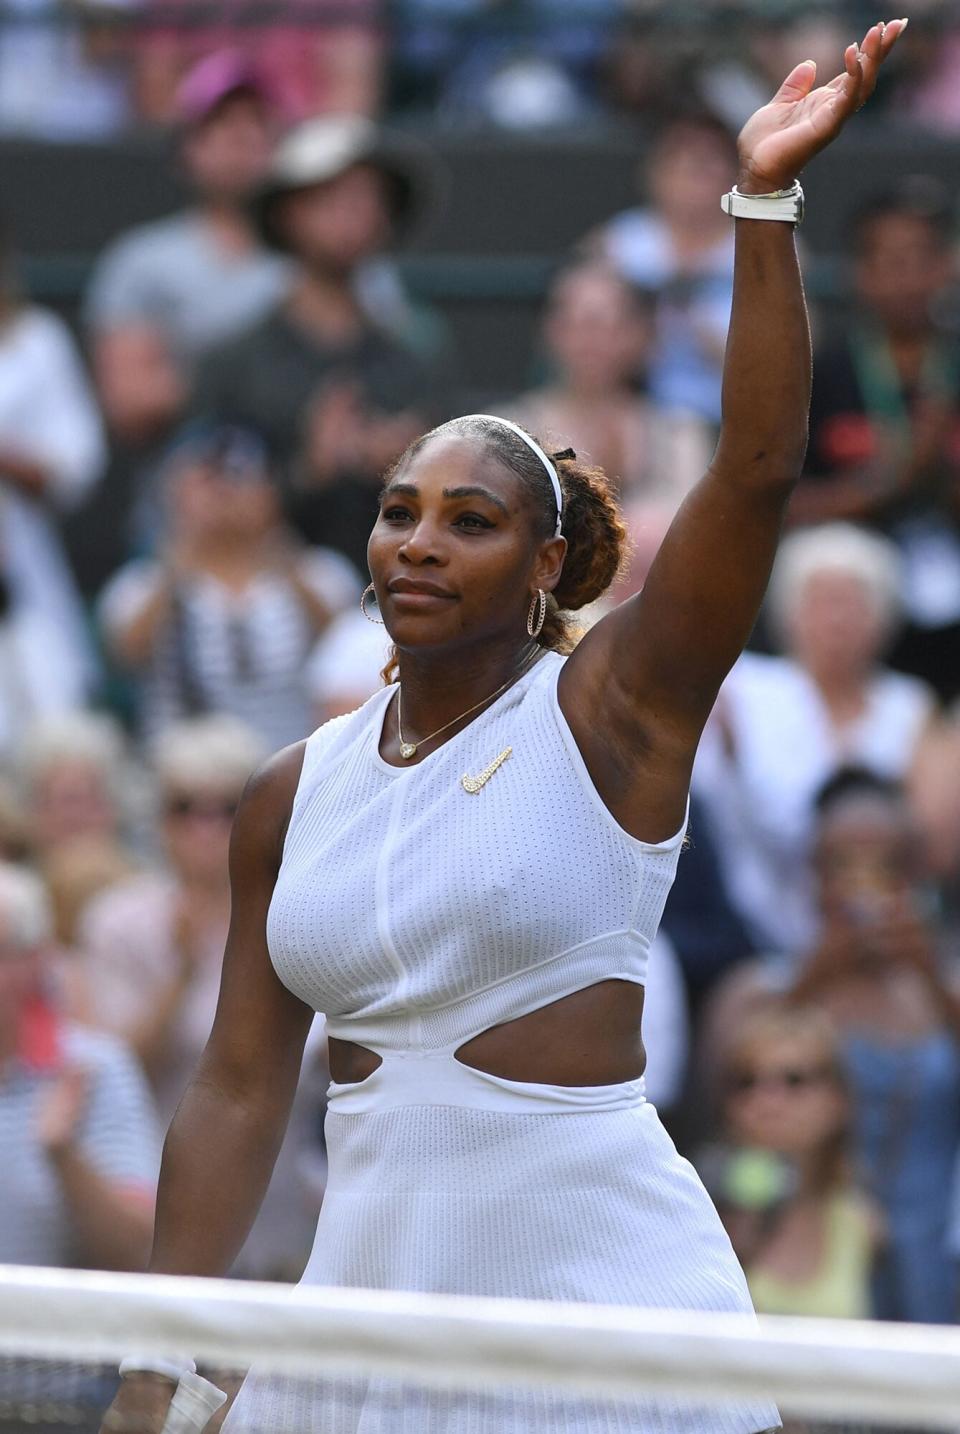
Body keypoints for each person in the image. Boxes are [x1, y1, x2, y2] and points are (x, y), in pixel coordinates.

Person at [102, 22, 904, 1434]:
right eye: (399, 509)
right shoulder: (293, 790)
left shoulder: (616, 711)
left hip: (604, 1300)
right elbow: (236, 1085)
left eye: (471, 521)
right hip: (364, 1306)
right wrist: (160, 1357)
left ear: (545, 565)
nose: (420, 541)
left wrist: (763, 202)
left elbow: (761, 468)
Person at [703, 768, 960, 1325]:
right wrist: (816, 977)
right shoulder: (760, 987)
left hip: (934, 1258)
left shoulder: (943, 988)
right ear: (813, 877)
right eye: (840, 866)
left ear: (914, 877)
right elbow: (723, 1101)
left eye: (886, 867)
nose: (861, 886)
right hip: (802, 1259)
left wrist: (930, 976)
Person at [191, 114, 448, 573]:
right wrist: (310, 470)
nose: (355, 212)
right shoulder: (233, 360)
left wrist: (411, 470)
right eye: (332, 197)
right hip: (265, 599)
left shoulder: (418, 355)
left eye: (370, 198)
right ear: (287, 213)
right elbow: (205, 511)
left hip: (400, 595)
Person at [694, 523, 938, 953]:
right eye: (822, 602)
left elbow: (922, 836)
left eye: (853, 603)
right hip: (756, 921)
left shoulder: (909, 705)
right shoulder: (743, 689)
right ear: (789, 612)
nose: (837, 620)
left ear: (883, 615)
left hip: (883, 932)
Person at [791, 178, 960, 701]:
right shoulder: (825, 372)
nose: (907, 277)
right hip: (862, 562)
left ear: (946, 267)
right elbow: (786, 506)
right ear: (860, 274)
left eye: (920, 258)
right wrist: (889, 482)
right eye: (889, 261)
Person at [99, 422, 360, 750]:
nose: (225, 493)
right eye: (208, 481)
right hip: (186, 772)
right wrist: (179, 556)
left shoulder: (319, 572)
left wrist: (276, 546)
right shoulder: (141, 583)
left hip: (292, 761)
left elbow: (346, 646)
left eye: (241, 478)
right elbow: (127, 653)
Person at [0, 861, 159, 1271]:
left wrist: (62, 1155)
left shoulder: (94, 1068)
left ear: (33, 963)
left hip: (46, 1333)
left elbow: (139, 1251)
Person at [702, 1003, 879, 1320]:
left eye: (794, 1080)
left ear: (838, 1100)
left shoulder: (863, 1225)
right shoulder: (700, 1211)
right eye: (746, 1081)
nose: (767, 1100)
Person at [508, 260, 712, 504]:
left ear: (642, 334)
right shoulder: (510, 433)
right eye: (576, 322)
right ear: (550, 330)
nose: (590, 340)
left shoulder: (680, 433)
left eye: (609, 324)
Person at [591, 109, 738, 424]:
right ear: (655, 172)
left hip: (740, 420)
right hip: (636, 419)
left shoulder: (763, 249)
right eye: (680, 161)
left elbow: (793, 356)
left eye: (706, 164)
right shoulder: (618, 243)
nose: (691, 177)